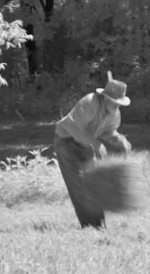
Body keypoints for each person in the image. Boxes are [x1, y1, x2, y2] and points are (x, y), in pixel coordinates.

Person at [53, 71, 132, 229]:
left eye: (119, 103)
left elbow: (109, 132)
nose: (116, 106)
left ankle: (99, 226)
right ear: (105, 97)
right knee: (79, 184)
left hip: (86, 144)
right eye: (113, 102)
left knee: (94, 183)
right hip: (67, 143)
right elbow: (73, 127)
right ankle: (89, 226)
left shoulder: (114, 114)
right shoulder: (89, 102)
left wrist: (120, 140)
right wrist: (97, 145)